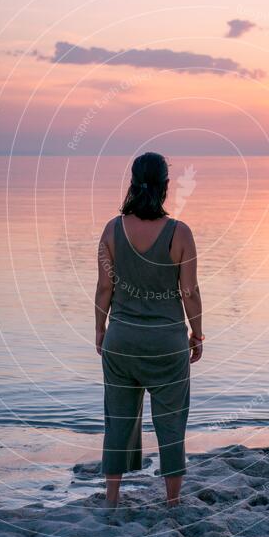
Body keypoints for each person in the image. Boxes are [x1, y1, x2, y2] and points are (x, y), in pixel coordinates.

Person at [95, 152, 203, 508]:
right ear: (165, 187)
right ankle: (172, 502)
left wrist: (100, 330)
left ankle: (111, 498)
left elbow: (104, 289)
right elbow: (189, 291)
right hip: (167, 344)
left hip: (122, 340)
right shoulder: (179, 233)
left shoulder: (112, 230)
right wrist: (196, 334)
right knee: (171, 423)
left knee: (118, 419)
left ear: (132, 182)